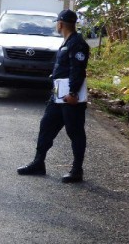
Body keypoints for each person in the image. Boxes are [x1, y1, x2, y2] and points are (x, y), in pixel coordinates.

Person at [17, 9, 90, 183]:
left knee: (75, 132)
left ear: (60, 24)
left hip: (71, 96)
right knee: (46, 126)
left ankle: (77, 170)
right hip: (58, 94)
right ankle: (38, 162)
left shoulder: (77, 43)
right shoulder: (67, 42)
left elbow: (77, 70)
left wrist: (72, 93)